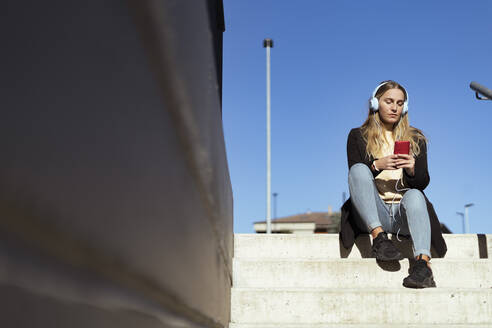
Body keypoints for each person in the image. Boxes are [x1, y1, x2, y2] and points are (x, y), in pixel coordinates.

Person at [339, 80, 447, 289]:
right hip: (371, 214)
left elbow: (422, 183)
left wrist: (412, 169)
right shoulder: (357, 136)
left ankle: (423, 266)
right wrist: (376, 165)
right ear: (375, 103)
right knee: (359, 169)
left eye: (400, 103)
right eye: (389, 101)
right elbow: (355, 177)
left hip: (403, 216)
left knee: (415, 195)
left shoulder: (416, 138)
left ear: (404, 107)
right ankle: (379, 238)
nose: (394, 107)